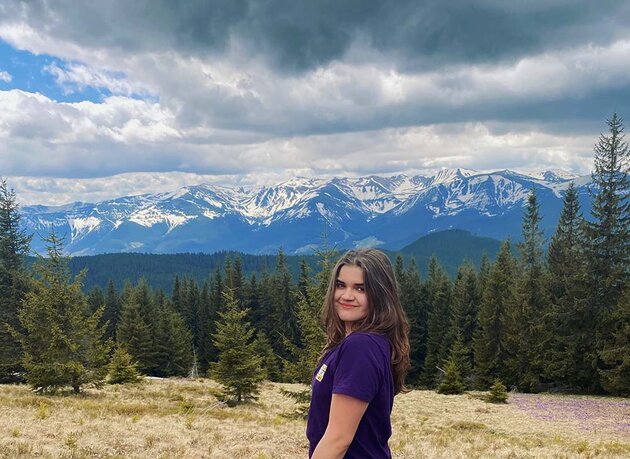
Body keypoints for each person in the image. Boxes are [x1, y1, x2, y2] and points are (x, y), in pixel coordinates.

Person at [306, 248, 410, 459]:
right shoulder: (363, 342)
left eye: (360, 289)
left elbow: (338, 441)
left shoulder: (360, 347)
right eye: (341, 285)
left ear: (380, 296)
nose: (347, 296)